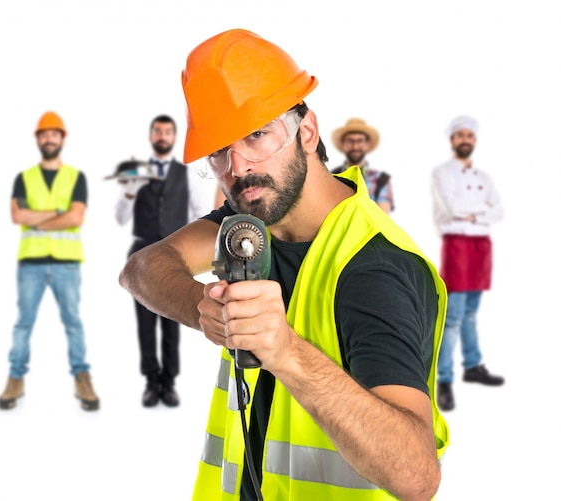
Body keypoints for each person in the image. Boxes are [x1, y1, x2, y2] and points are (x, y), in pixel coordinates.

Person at [119, 29, 449, 500]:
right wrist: (201, 308)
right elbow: (143, 268)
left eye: (256, 135)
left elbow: (417, 477)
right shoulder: (252, 224)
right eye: (219, 150)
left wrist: (286, 351)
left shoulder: (374, 269)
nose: (238, 168)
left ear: (307, 131)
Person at [0, 111, 99, 411]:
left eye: (54, 133)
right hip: (30, 263)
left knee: (72, 322)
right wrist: (57, 213)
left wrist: (37, 219)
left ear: (61, 138)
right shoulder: (24, 178)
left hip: (66, 264)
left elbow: (76, 216)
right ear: (38, 139)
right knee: (23, 323)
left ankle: (82, 377)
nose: (49, 138)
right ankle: (15, 379)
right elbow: (18, 216)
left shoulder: (75, 177)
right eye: (44, 134)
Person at [111, 114, 207, 408]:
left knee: (172, 318)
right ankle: (151, 381)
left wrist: (184, 244)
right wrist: (130, 189)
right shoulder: (137, 172)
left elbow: (200, 213)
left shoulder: (186, 173)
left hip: (172, 254)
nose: (162, 136)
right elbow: (120, 217)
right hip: (141, 251)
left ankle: (169, 381)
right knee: (144, 322)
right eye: (158, 131)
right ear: (152, 137)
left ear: (174, 137)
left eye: (167, 131)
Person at [431, 115, 505, 412]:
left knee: (472, 312)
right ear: (452, 140)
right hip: (458, 246)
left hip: (481, 247)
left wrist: (474, 215)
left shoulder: (484, 177)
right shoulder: (442, 172)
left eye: (470, 136)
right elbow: (452, 207)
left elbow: (499, 211)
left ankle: (473, 364)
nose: (466, 140)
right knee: (453, 317)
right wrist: (481, 210)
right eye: (461, 135)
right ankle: (445, 379)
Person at [331, 118, 394, 213]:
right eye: (350, 141)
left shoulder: (381, 180)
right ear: (343, 144)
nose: (355, 146)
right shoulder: (332, 177)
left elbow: (383, 219)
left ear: (367, 144)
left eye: (360, 141)